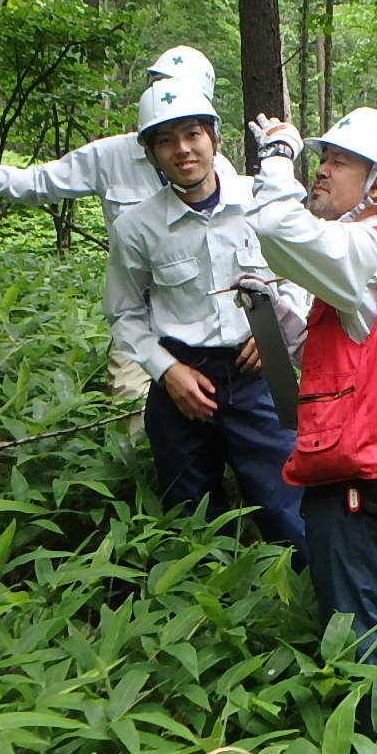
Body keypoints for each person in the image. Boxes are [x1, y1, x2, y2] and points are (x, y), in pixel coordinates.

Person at [247, 106, 377, 709]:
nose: (321, 171)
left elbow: (279, 231)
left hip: (366, 478)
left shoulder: (364, 247)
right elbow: (340, 355)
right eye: (320, 158)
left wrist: (278, 158)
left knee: (368, 639)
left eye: (338, 161)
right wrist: (274, 312)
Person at [0, 45, 233, 398]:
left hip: (208, 323)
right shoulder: (110, 155)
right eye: (156, 86)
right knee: (132, 413)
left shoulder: (220, 173)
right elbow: (36, 183)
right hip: (139, 320)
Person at [104, 81, 308, 552]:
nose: (182, 150)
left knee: (288, 504)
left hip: (260, 370)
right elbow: (125, 312)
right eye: (165, 140)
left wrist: (277, 327)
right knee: (190, 517)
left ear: (214, 138)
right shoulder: (136, 227)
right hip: (181, 379)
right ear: (151, 153)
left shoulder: (262, 202)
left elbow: (300, 273)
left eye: (192, 134)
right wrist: (167, 371)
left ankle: (307, 607)